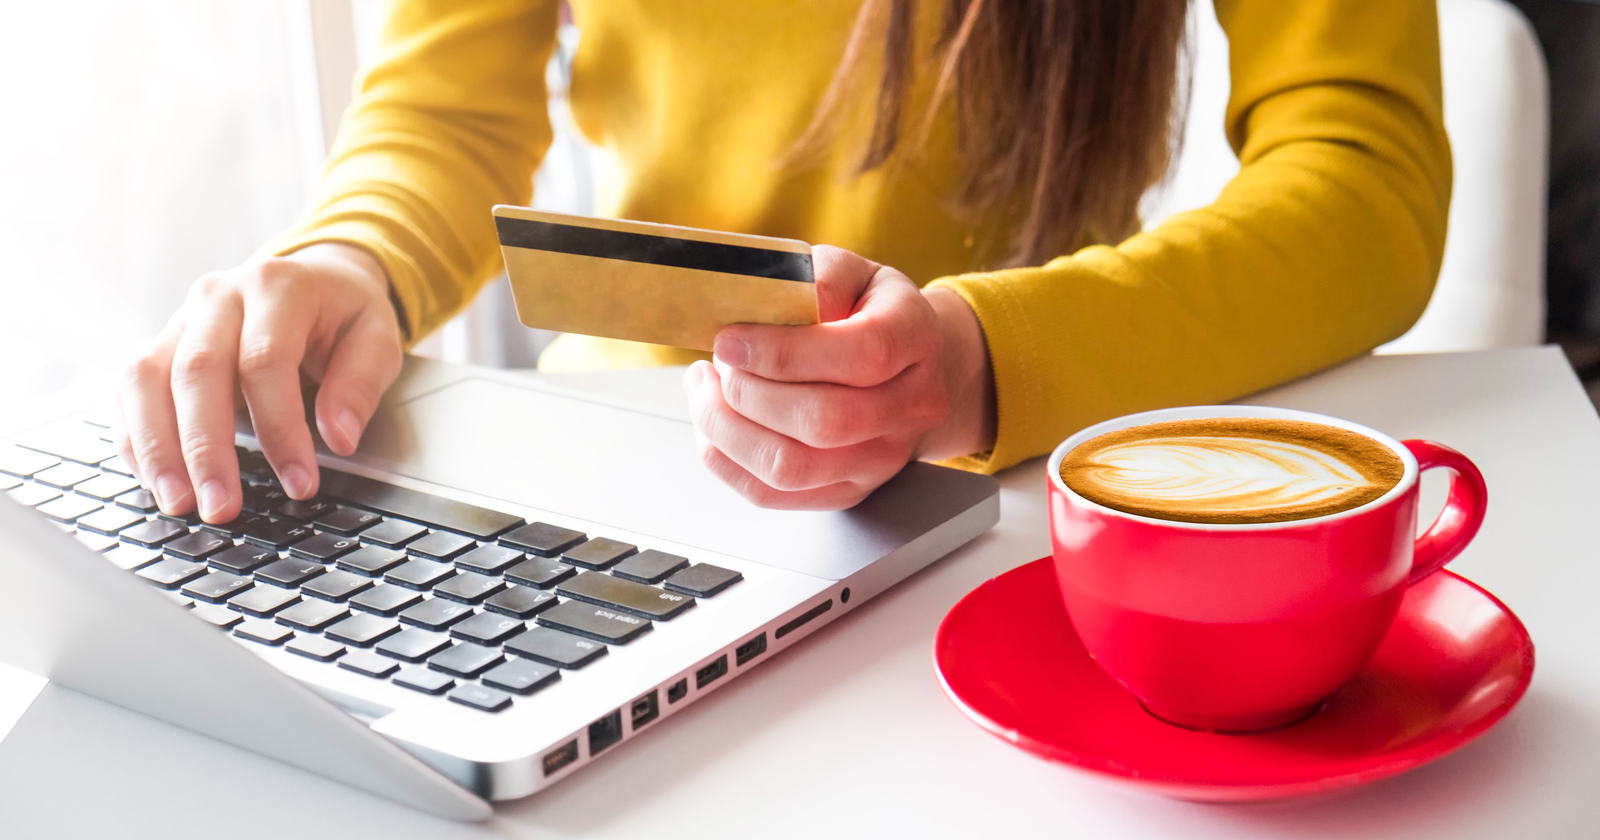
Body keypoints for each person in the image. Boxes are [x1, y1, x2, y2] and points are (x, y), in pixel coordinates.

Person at [114, 0, 1450, 521]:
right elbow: (449, 108)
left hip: (1035, 495)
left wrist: (985, 362)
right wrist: (355, 256)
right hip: (627, 468)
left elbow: (1364, 178)